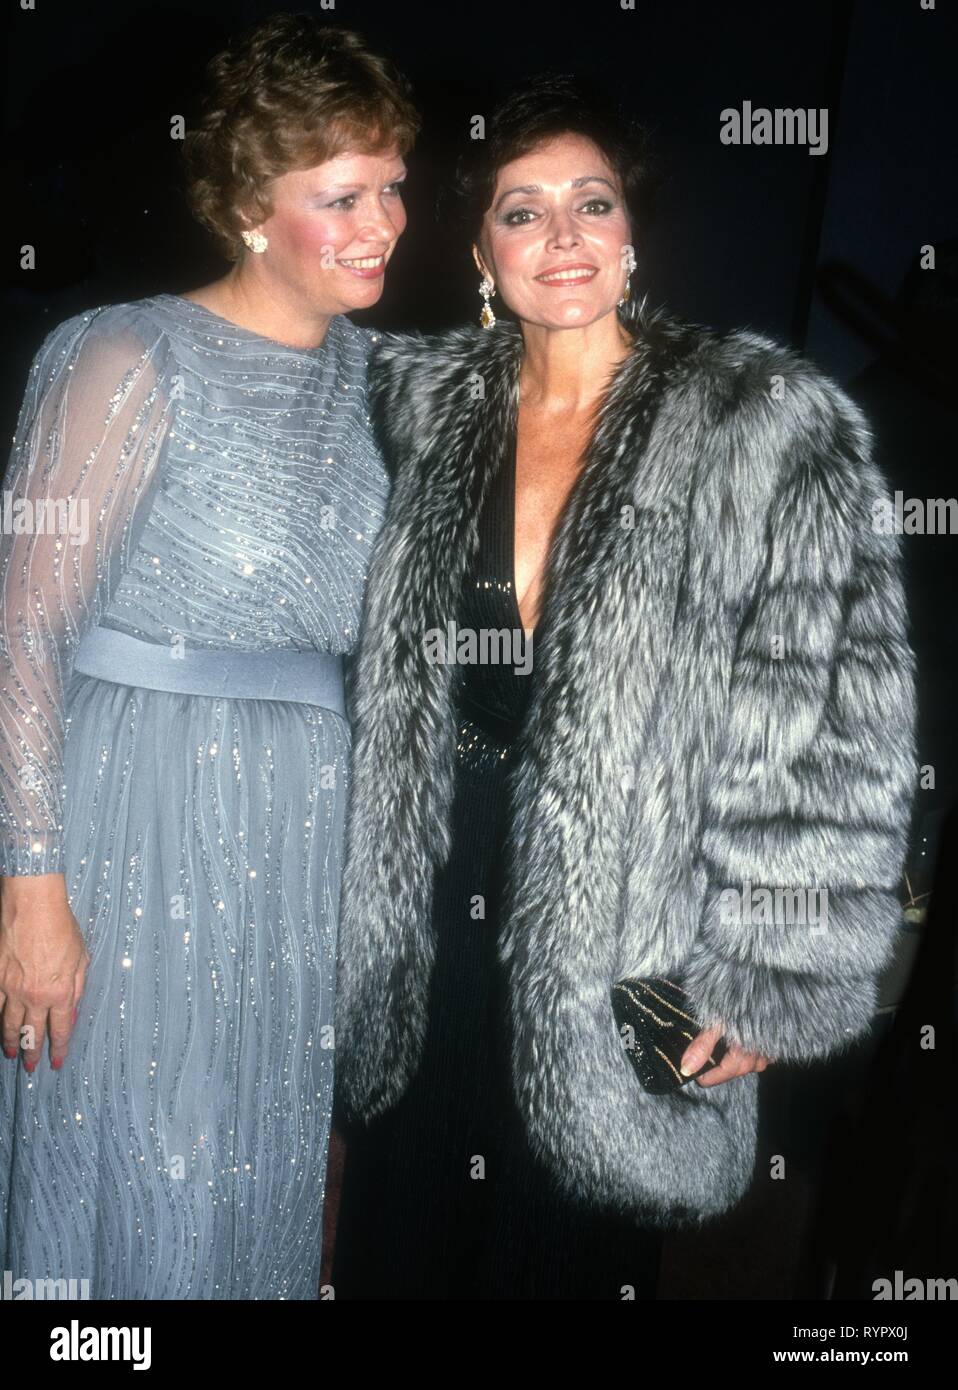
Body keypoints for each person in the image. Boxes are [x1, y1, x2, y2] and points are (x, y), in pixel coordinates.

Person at [330, 75, 918, 1299]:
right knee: (407, 1223)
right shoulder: (414, 407)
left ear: (631, 233)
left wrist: (776, 974)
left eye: (589, 204)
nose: (563, 238)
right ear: (480, 249)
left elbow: (846, 726)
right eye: (521, 211)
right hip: (432, 877)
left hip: (635, 900)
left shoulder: (763, 423)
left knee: (564, 1244)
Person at [0, 14, 418, 1299]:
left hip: (294, 833)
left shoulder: (381, 380)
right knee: (137, 1153)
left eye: (393, 186)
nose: (383, 222)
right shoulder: (127, 353)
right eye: (339, 194)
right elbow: (22, 633)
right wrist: (28, 887)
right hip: (136, 818)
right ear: (249, 205)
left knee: (252, 1165)